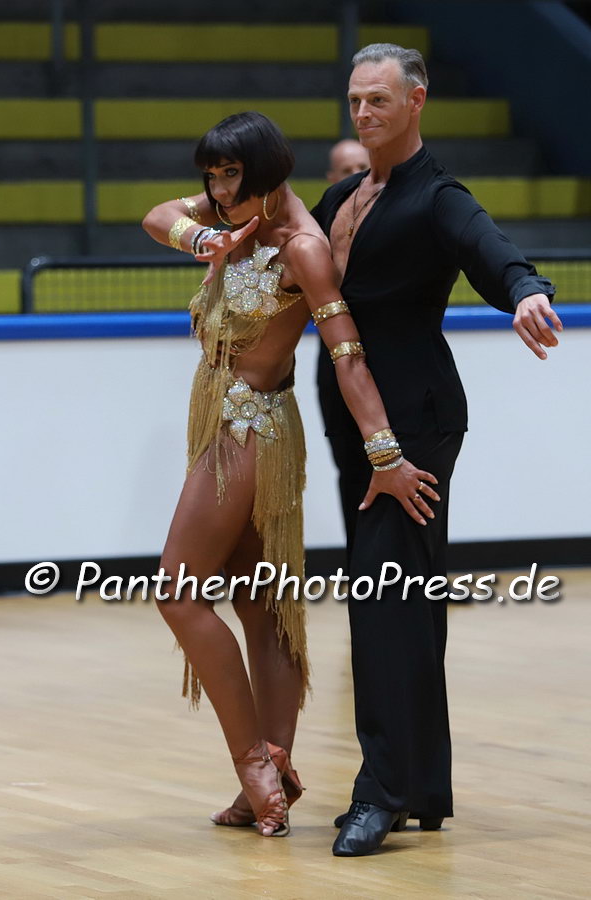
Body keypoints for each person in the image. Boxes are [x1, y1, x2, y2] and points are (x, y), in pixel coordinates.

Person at [141, 111, 434, 840]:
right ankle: (274, 772)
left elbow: (347, 354)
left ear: (269, 173)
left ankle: (253, 765)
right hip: (223, 422)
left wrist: (386, 455)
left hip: (249, 429)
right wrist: (202, 238)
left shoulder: (303, 248)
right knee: (260, 603)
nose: (217, 189)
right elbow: (156, 215)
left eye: (231, 175)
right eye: (211, 175)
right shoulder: (225, 215)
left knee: (177, 592)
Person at [311, 44, 561, 857]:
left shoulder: (436, 194)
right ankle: (421, 785)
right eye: (355, 99)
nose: (363, 112)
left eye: (379, 99)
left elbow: (488, 248)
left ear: (416, 100)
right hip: (352, 418)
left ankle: (380, 792)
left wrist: (525, 291)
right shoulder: (342, 194)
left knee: (383, 599)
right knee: (405, 597)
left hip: (413, 424)